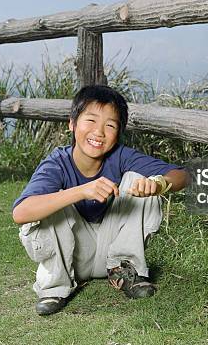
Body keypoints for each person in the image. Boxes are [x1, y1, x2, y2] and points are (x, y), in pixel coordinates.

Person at [12, 85, 190, 316]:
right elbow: (21, 212)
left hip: (113, 250)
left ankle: (126, 272)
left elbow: (182, 175)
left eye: (110, 125)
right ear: (72, 123)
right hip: (73, 257)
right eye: (91, 121)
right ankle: (55, 287)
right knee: (51, 202)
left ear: (118, 134)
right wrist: (80, 191)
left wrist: (157, 184)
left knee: (140, 179)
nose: (99, 132)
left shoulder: (121, 156)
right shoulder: (56, 163)